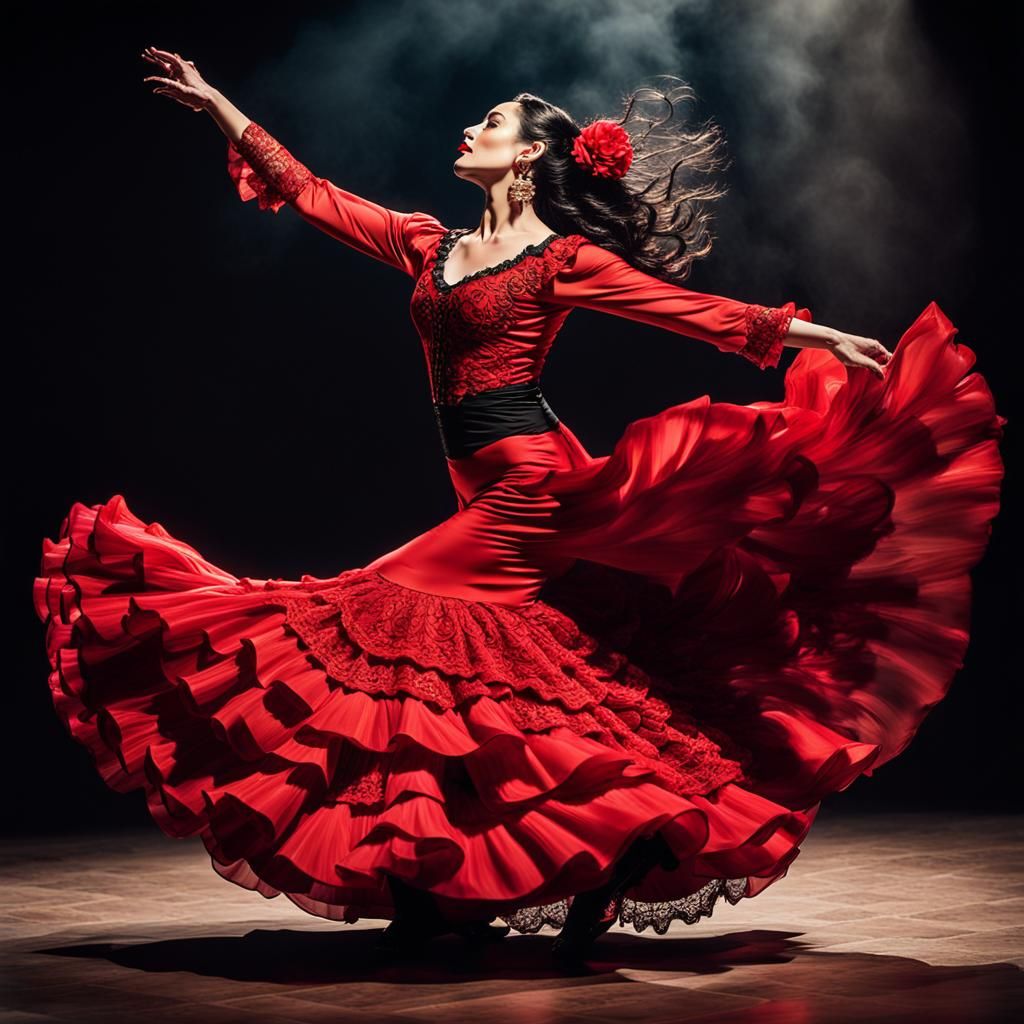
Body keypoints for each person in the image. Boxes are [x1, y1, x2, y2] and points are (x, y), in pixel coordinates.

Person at [32, 48, 1005, 966]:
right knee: (470, 678)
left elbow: (682, 310)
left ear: (530, 153)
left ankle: (441, 889)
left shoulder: (560, 263)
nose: (469, 127)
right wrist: (222, 111)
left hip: (528, 491)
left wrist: (806, 333)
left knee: (371, 622)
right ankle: (560, 859)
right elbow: (316, 197)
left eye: (489, 121)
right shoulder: (430, 245)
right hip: (483, 487)